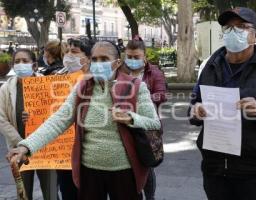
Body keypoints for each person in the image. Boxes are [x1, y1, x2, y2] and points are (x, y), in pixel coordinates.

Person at [7, 41, 161, 200]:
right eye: (94, 59)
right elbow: (58, 121)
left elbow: (154, 123)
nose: (98, 64)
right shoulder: (82, 87)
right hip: (89, 172)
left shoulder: (136, 86)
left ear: (117, 62)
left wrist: (131, 118)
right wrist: (26, 146)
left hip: (125, 171)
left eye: (104, 59)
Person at [189, 7, 256, 200]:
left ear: (255, 35)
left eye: (241, 27)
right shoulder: (209, 67)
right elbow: (194, 105)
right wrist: (196, 112)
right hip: (216, 172)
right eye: (228, 28)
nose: (233, 32)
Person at [0, 49, 58, 200]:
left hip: (45, 148)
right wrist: (22, 145)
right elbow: (2, 120)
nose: (20, 64)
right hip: (18, 149)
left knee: (51, 192)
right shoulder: (6, 89)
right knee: (24, 193)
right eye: (17, 62)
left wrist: (38, 116)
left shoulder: (46, 84)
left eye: (25, 61)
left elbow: (57, 114)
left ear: (34, 65)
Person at [124, 36, 167, 200]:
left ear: (144, 58)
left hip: (147, 126)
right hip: (125, 123)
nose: (132, 60)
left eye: (136, 57)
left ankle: (150, 196)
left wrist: (142, 97)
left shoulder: (153, 72)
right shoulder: (120, 72)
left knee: (146, 165)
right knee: (128, 165)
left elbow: (162, 95)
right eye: (129, 57)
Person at [55, 38, 93, 200]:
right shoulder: (56, 77)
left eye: (75, 52)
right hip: (63, 149)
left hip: (88, 148)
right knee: (67, 191)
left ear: (88, 58)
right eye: (68, 51)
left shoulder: (95, 79)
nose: (69, 55)